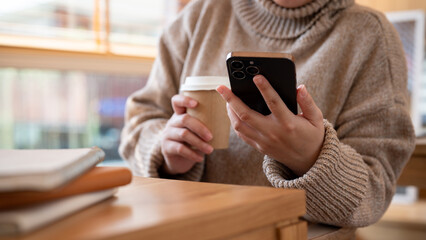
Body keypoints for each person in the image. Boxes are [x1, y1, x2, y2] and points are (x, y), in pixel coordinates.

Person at [119, 0, 415, 237]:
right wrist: (166, 149)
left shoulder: (370, 34)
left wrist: (311, 158)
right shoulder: (198, 16)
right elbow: (140, 121)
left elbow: (374, 191)